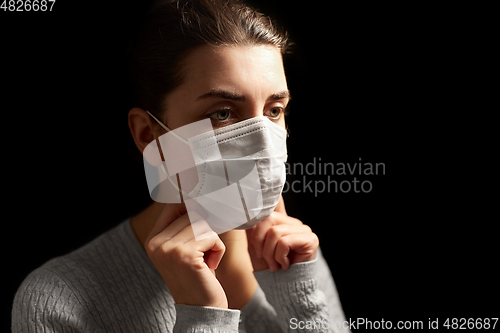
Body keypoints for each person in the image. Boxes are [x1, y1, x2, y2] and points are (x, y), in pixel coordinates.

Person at [12, 0, 349, 332]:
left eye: (274, 110)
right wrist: (203, 316)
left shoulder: (291, 252)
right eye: (222, 113)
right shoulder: (58, 300)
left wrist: (298, 295)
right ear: (149, 133)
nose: (263, 142)